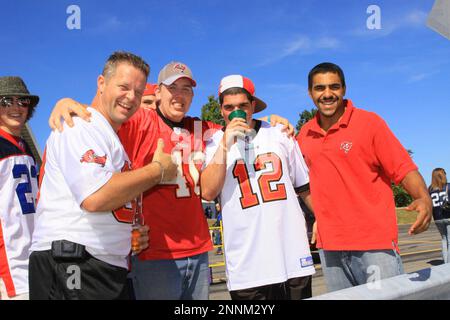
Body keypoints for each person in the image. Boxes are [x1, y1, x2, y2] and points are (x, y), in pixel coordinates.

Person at [47, 62, 294, 300]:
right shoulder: (141, 122)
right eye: (172, 88)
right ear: (158, 92)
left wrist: (273, 122)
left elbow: (240, 123)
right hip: (155, 251)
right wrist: (70, 104)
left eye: (186, 89)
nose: (179, 95)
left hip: (197, 248)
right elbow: (106, 113)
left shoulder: (201, 128)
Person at [28, 51, 177, 300]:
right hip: (73, 263)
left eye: (138, 92)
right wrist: (157, 170)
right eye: (124, 87)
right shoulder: (80, 124)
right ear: (101, 83)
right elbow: (96, 197)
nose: (131, 97)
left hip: (100, 265)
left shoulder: (108, 136)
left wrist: (124, 233)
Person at [297, 62, 432, 292]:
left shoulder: (370, 123)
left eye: (334, 87)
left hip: (374, 245)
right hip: (330, 247)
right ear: (310, 93)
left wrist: (423, 198)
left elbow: (403, 168)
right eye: (320, 88)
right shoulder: (304, 134)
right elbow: (303, 185)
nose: (327, 94)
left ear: (344, 89)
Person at [201, 75, 315, 300]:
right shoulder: (212, 143)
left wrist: (320, 217)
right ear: (221, 110)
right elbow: (207, 192)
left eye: (243, 105)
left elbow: (304, 186)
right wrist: (226, 143)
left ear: (253, 105)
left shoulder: (280, 133)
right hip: (247, 264)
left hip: (291, 255)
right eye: (229, 107)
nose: (237, 111)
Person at [0, 77, 39, 300]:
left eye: (22, 101)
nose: (15, 107)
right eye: (6, 101)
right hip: (10, 267)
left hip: (34, 259)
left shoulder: (24, 148)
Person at [428, 168, 450, 263]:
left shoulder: (430, 189)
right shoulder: (448, 186)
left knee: (444, 239)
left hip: (437, 218)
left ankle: (445, 263)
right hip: (448, 216)